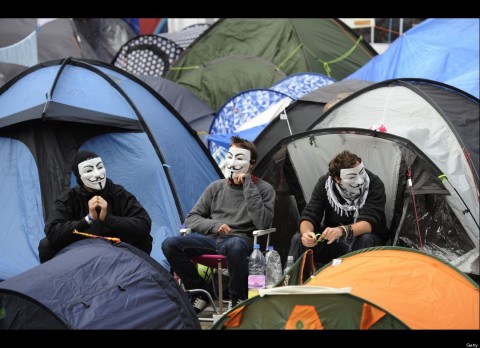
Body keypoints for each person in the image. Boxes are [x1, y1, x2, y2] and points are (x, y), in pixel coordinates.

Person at [162, 136, 275, 314]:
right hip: (212, 239)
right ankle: (200, 292)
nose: (232, 162)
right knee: (169, 244)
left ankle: (237, 297)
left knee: (235, 245)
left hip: (241, 240)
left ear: (251, 163)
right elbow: (192, 218)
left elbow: (263, 222)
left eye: (239, 158)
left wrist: (248, 186)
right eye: (229, 156)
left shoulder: (264, 189)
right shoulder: (216, 187)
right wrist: (215, 225)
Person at [38, 150, 152, 263]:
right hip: (81, 250)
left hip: (117, 249)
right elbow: (52, 231)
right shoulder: (69, 198)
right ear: (79, 177)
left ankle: (138, 274)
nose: (97, 174)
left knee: (144, 239)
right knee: (46, 246)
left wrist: (108, 219)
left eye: (100, 167)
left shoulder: (118, 193)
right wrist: (87, 220)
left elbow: (144, 224)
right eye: (89, 170)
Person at [288, 150, 388, 265]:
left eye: (361, 172)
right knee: (298, 239)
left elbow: (369, 222)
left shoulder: (374, 183)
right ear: (337, 179)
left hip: (362, 238)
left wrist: (341, 231)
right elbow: (310, 213)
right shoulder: (325, 184)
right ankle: (295, 279)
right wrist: (307, 234)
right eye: (352, 177)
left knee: (366, 238)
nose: (360, 180)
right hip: (333, 238)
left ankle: (360, 280)